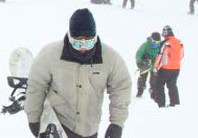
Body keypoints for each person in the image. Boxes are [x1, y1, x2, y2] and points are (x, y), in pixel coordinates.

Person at [25, 8, 131, 138]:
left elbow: (121, 87)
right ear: (69, 37)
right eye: (77, 43)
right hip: (57, 125)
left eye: (89, 42)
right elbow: (36, 86)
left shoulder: (110, 58)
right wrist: (33, 118)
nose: (83, 48)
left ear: (95, 37)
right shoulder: (50, 55)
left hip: (89, 129)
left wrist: (117, 123)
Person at [153, 25, 184, 108]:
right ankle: (174, 103)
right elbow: (182, 55)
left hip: (165, 68)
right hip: (177, 68)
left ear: (165, 34)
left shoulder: (165, 43)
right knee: (172, 85)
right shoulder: (179, 42)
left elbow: (160, 55)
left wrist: (156, 67)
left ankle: (161, 104)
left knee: (159, 84)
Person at [135, 32, 161, 99]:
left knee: (154, 81)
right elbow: (138, 54)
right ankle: (139, 92)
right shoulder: (146, 45)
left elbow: (161, 55)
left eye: (158, 42)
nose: (156, 44)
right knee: (142, 79)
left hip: (154, 66)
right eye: (154, 42)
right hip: (145, 64)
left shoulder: (160, 47)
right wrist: (139, 62)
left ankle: (154, 95)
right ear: (151, 40)